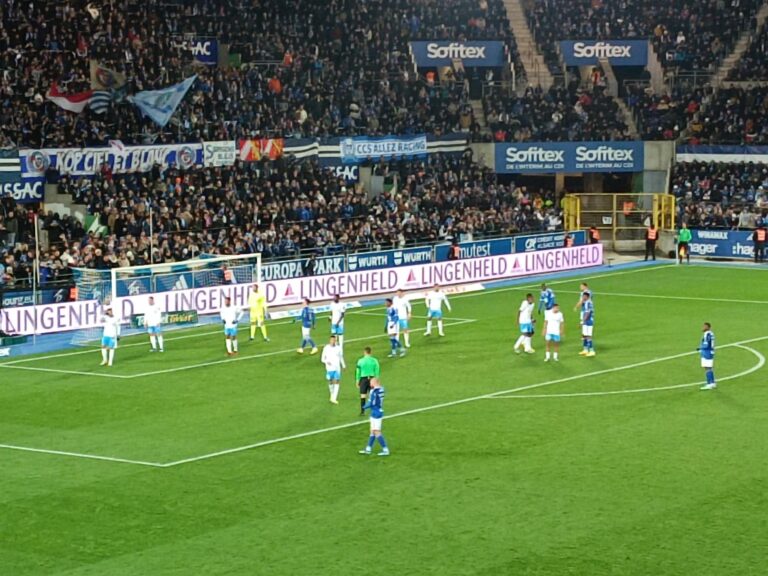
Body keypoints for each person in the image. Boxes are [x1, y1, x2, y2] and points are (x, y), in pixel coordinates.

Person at [359, 377, 389, 456]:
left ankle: (385, 449)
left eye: (371, 383)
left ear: (373, 383)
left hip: (376, 413)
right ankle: (368, 449)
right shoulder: (382, 389)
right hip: (376, 412)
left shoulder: (374, 391)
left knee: (376, 431)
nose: (370, 384)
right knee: (372, 431)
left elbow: (371, 403)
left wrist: (364, 407)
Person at [356, 347, 380, 415]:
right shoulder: (374, 360)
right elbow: (377, 370)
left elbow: (358, 371)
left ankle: (362, 411)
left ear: (365, 352)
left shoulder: (360, 361)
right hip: (372, 379)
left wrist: (357, 380)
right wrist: (377, 379)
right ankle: (374, 410)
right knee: (373, 395)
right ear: (370, 352)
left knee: (363, 395)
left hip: (363, 379)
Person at [321, 335, 345, 404]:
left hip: (337, 368)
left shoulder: (338, 348)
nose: (333, 341)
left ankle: (334, 398)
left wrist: (343, 365)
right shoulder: (326, 348)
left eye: (334, 340)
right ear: (330, 340)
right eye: (332, 340)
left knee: (337, 381)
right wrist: (327, 361)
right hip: (329, 369)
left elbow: (341, 357)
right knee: (330, 382)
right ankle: (332, 394)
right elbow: (322, 359)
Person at [698, 322, 716, 390]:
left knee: (707, 368)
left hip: (707, 352)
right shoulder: (711, 333)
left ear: (708, 327)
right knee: (709, 368)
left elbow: (707, 344)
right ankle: (713, 383)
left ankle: (709, 384)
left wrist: (700, 348)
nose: (703, 327)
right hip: (710, 352)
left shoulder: (707, 334)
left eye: (704, 326)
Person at [578, 291, 595, 357]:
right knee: (584, 335)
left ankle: (592, 351)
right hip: (586, 321)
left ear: (587, 297)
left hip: (589, 321)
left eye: (584, 296)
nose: (583, 297)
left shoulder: (588, 303)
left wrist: (582, 321)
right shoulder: (586, 302)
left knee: (588, 336)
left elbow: (588, 313)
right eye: (582, 296)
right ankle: (585, 349)